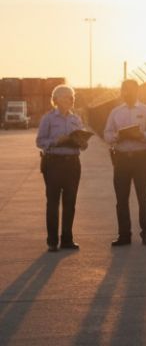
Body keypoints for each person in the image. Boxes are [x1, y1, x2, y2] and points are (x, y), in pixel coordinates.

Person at [104, 79, 146, 246]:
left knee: (144, 198)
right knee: (121, 199)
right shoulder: (115, 112)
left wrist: (142, 136)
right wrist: (117, 137)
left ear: (137, 91)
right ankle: (124, 235)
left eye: (131, 90)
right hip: (121, 159)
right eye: (125, 90)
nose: (127, 93)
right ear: (122, 92)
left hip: (141, 158)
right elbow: (106, 133)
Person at [36, 85, 88, 252]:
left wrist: (83, 142)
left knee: (70, 202)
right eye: (66, 97)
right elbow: (39, 141)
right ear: (56, 100)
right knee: (53, 202)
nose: (70, 100)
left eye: (71, 97)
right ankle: (52, 241)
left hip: (72, 163)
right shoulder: (48, 119)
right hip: (54, 163)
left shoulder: (76, 119)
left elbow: (82, 143)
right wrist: (55, 142)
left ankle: (67, 239)